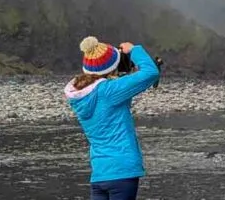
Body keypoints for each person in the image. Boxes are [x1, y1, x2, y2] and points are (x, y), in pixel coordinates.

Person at [65, 36, 161, 200]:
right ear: (111, 68)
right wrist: (133, 50)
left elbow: (112, 92)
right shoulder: (110, 91)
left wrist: (122, 73)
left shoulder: (78, 96)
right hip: (122, 171)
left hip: (99, 173)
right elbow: (151, 72)